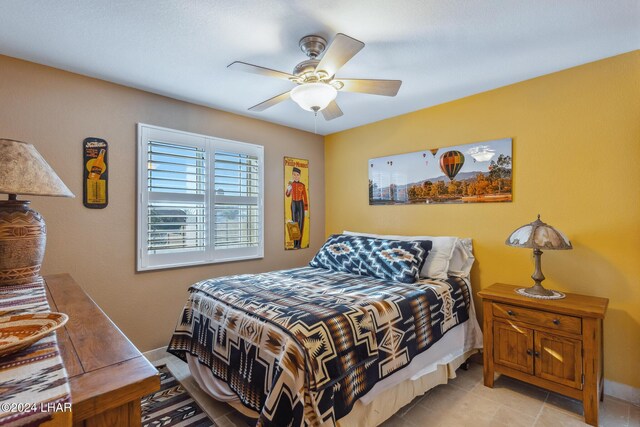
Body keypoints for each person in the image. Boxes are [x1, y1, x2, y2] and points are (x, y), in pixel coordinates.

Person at [285, 167, 308, 249]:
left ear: (300, 176)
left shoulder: (302, 185)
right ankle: (295, 244)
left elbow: (305, 197)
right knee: (294, 224)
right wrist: (288, 189)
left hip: (301, 204)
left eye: (297, 175)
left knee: (301, 223)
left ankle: (299, 244)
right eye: (294, 174)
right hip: (294, 204)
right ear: (292, 175)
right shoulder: (291, 184)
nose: (296, 176)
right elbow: (287, 195)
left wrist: (306, 209)